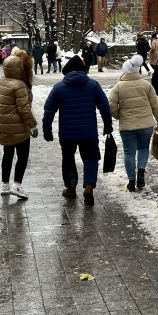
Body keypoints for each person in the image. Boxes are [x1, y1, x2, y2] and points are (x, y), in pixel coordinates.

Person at [42, 55, 112, 204]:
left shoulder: (59, 87)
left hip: (68, 133)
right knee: (91, 158)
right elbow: (104, 105)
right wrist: (108, 124)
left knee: (68, 159)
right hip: (88, 132)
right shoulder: (93, 85)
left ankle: (71, 188)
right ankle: (89, 186)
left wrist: (47, 129)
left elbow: (49, 109)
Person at [108, 56, 158, 192]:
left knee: (129, 153)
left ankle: (131, 180)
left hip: (127, 126)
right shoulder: (146, 85)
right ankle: (141, 172)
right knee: (143, 148)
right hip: (146, 124)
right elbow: (155, 105)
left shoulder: (118, 87)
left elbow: (110, 105)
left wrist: (118, 115)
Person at [0, 48, 37, 199]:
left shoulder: (2, 80)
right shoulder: (19, 85)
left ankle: (5, 184)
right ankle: (17, 184)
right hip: (18, 127)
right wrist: (32, 125)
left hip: (4, 125)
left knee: (7, 154)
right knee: (22, 155)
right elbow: (24, 109)